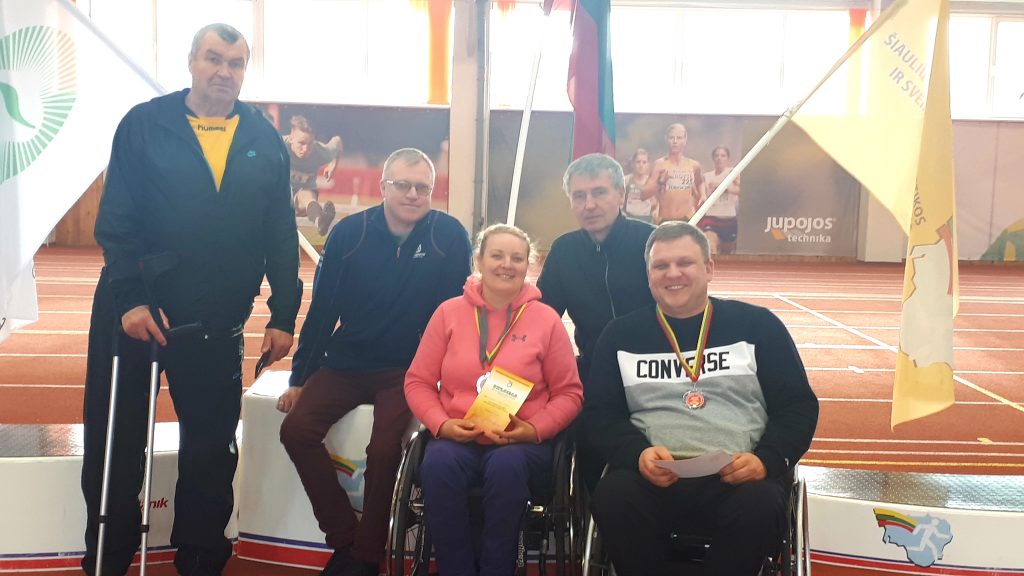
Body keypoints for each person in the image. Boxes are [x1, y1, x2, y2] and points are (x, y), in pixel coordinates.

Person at [80, 23, 300, 576]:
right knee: (116, 441)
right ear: (191, 62)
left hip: (214, 318)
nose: (224, 71)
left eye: (235, 62)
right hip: (136, 312)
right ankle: (108, 557)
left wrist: (284, 312)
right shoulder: (144, 124)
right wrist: (130, 300)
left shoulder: (263, 137)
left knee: (211, 447)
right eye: (213, 58)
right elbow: (117, 222)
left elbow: (279, 230)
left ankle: (201, 557)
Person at [278, 147, 472, 576]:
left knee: (384, 449)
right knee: (296, 430)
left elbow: (459, 314)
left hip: (409, 368)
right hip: (346, 362)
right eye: (403, 185)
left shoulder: (449, 235)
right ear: (383, 186)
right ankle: (345, 538)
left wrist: (452, 376)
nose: (413, 194)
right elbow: (323, 309)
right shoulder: (350, 234)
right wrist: (300, 377)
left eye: (422, 187)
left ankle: (365, 557)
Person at [583, 221, 818, 576]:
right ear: (648, 276)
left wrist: (765, 461)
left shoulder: (758, 325)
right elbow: (601, 414)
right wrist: (637, 454)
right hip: (651, 477)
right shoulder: (619, 336)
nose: (672, 274)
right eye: (661, 266)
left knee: (761, 504)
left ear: (709, 268)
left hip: (738, 477)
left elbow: (797, 406)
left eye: (685, 263)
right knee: (612, 497)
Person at [404, 224, 583, 576]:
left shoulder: (546, 320)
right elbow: (418, 382)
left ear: (528, 265)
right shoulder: (448, 313)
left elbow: (569, 393)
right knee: (438, 466)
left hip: (521, 442)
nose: (507, 265)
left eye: (517, 258)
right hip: (458, 435)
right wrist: (443, 424)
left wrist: (533, 429)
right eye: (497, 256)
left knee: (506, 467)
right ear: (479, 260)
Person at [536, 153, 655, 488]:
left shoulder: (652, 243)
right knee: (587, 437)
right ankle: (594, 505)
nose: (589, 204)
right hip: (595, 370)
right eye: (579, 196)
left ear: (621, 194)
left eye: (599, 192)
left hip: (657, 369)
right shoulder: (564, 251)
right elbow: (542, 317)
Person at [284, 115, 343, 236]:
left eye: (310, 144)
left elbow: (337, 141)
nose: (306, 149)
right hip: (278, 198)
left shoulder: (320, 152)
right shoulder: (278, 145)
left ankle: (320, 221)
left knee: (306, 195)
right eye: (301, 143)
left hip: (303, 201)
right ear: (291, 139)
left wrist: (333, 164)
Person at [643, 123, 706, 223]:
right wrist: (660, 182)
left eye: (679, 138)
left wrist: (703, 194)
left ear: (685, 140)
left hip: (687, 219)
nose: (675, 141)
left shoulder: (694, 165)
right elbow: (644, 195)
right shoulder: (659, 165)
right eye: (671, 138)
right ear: (666, 139)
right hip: (665, 220)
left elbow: (700, 181)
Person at [700, 145, 742, 255]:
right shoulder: (707, 176)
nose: (719, 158)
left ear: (728, 158)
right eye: (717, 155)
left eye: (723, 156)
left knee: (727, 254)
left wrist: (724, 188)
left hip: (729, 220)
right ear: (713, 158)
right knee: (710, 248)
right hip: (711, 219)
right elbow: (702, 197)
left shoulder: (733, 173)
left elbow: (742, 192)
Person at [622, 148, 655, 222]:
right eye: (638, 162)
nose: (641, 165)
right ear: (632, 164)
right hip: (629, 219)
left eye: (644, 162)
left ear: (648, 165)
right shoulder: (626, 180)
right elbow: (619, 200)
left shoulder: (651, 182)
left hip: (647, 220)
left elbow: (656, 202)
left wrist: (655, 211)